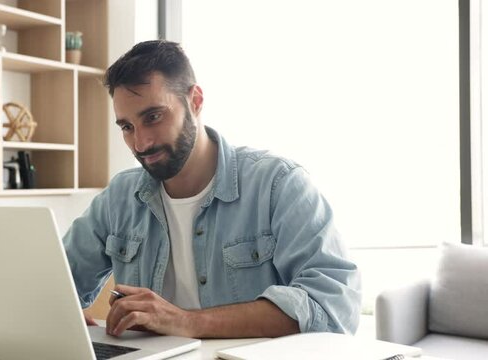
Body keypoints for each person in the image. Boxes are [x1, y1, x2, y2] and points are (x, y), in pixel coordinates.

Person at [63, 40, 361, 339]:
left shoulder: (278, 184)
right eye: (127, 127)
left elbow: (332, 305)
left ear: (195, 101)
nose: (141, 144)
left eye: (153, 117)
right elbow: (56, 284)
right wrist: (62, 315)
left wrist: (185, 322)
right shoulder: (119, 198)